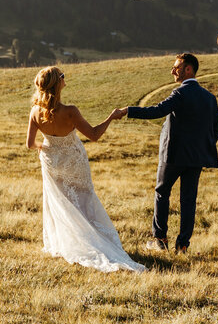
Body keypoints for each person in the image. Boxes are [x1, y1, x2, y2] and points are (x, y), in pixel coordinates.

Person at [26, 66, 144, 273]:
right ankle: (93, 240)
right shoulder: (70, 111)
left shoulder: (35, 111)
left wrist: (43, 147)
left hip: (52, 161)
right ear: (57, 83)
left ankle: (70, 240)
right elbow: (94, 134)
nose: (65, 78)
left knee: (61, 201)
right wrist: (111, 117)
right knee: (84, 198)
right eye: (62, 76)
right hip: (74, 160)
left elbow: (30, 144)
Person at [117, 53, 218, 253]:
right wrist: (201, 147)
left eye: (176, 67)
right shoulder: (210, 98)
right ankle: (182, 245)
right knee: (188, 200)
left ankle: (160, 239)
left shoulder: (180, 94)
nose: (173, 70)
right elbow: (215, 129)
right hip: (196, 158)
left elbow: (157, 111)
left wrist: (128, 111)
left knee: (162, 193)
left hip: (172, 156)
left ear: (188, 69)